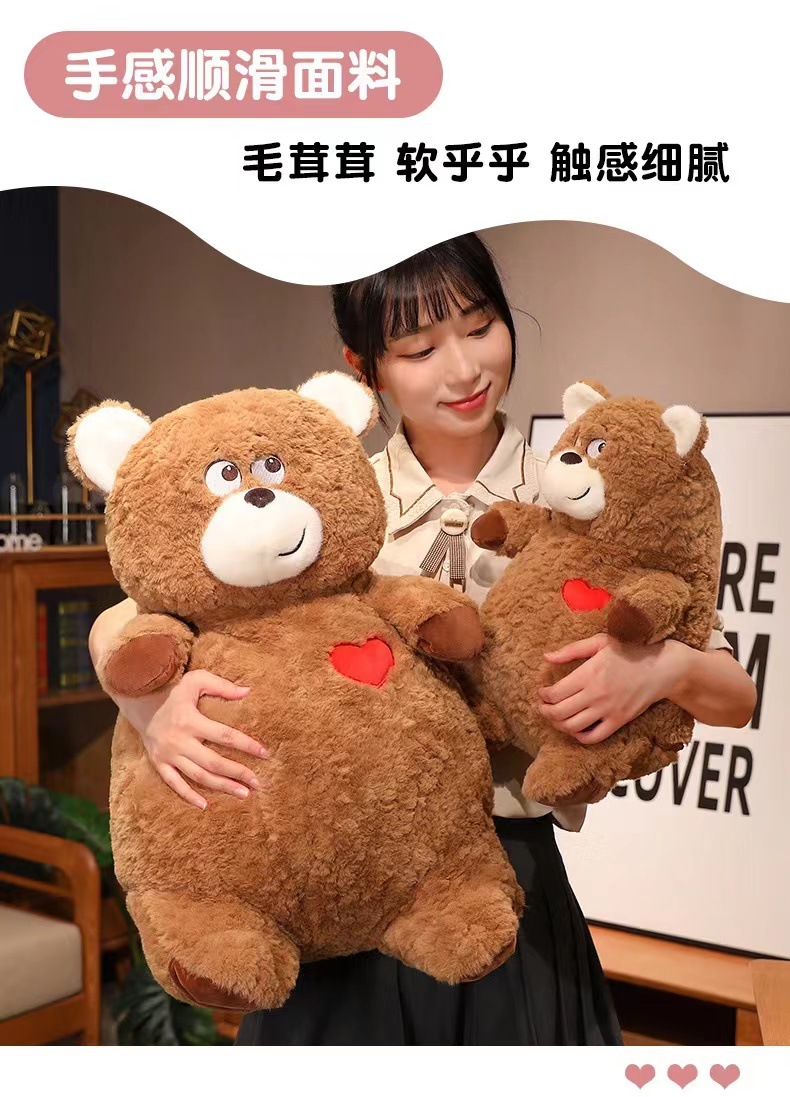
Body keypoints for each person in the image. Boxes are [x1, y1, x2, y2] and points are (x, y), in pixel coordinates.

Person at [89, 232, 757, 1045]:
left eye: (480, 327)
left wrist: (661, 668)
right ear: (365, 367)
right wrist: (149, 705)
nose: (464, 369)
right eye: (419, 348)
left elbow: (735, 695)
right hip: (328, 885)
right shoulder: (328, 492)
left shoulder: (585, 484)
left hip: (501, 886)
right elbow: (130, 614)